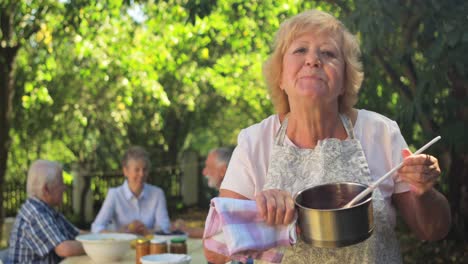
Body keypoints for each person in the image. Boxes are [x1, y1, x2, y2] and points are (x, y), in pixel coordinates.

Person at [204, 9, 451, 263]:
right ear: (280, 77)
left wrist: (424, 192)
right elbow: (214, 251)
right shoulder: (254, 142)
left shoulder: (380, 132)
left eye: (329, 53)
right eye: (300, 50)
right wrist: (259, 212)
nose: (313, 60)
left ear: (345, 79)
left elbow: (434, 231)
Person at [6, 160, 85, 263]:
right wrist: (98, 246)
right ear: (46, 189)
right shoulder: (35, 212)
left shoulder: (47, 209)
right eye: (61, 183)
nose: (64, 188)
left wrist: (105, 237)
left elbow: (77, 234)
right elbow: (65, 249)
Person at [91, 146, 171, 236]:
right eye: (137, 170)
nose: (141, 174)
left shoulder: (157, 194)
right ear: (125, 171)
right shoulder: (114, 195)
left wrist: (146, 231)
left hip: (149, 247)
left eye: (145, 169)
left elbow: (165, 228)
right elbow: (96, 227)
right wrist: (120, 234)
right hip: (122, 247)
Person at [174, 147, 234, 238]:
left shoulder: (231, 197)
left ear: (223, 171)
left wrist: (183, 230)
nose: (204, 172)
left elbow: (215, 234)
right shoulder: (226, 194)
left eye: (208, 167)